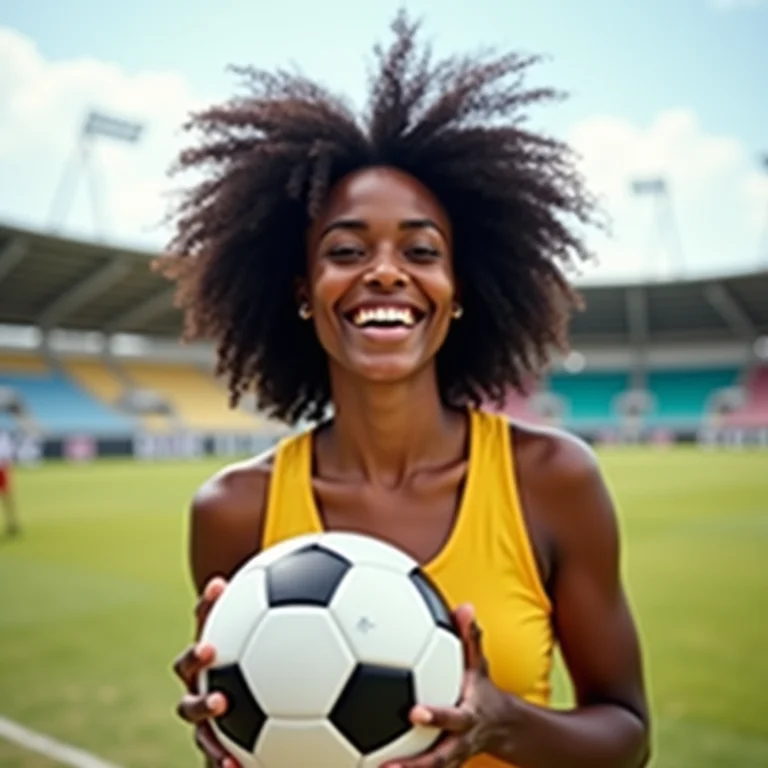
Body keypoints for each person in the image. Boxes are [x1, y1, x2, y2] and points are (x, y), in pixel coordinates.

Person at [163, 11, 650, 768]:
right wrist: (226, 735)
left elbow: (627, 734)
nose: (385, 271)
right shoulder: (233, 511)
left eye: (421, 250)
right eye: (347, 250)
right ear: (303, 290)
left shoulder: (553, 482)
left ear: (457, 290)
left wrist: (501, 723)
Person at [0, 431, 19, 537]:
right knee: (7, 498)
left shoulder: (3, 436)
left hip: (2, 470)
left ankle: (12, 522)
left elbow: (6, 457)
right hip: (2, 470)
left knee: (7, 497)